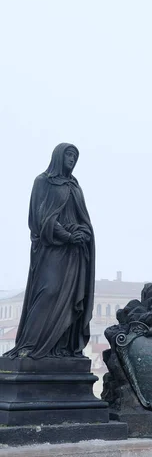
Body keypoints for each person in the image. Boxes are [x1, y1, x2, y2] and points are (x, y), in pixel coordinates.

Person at [5, 144, 95, 359]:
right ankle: (30, 345)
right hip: (52, 248)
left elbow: (82, 217)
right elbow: (40, 218)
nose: (72, 159)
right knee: (49, 291)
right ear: (58, 157)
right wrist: (66, 235)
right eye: (68, 155)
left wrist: (83, 232)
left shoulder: (74, 185)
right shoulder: (43, 181)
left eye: (75, 156)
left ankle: (61, 348)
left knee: (70, 297)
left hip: (74, 253)